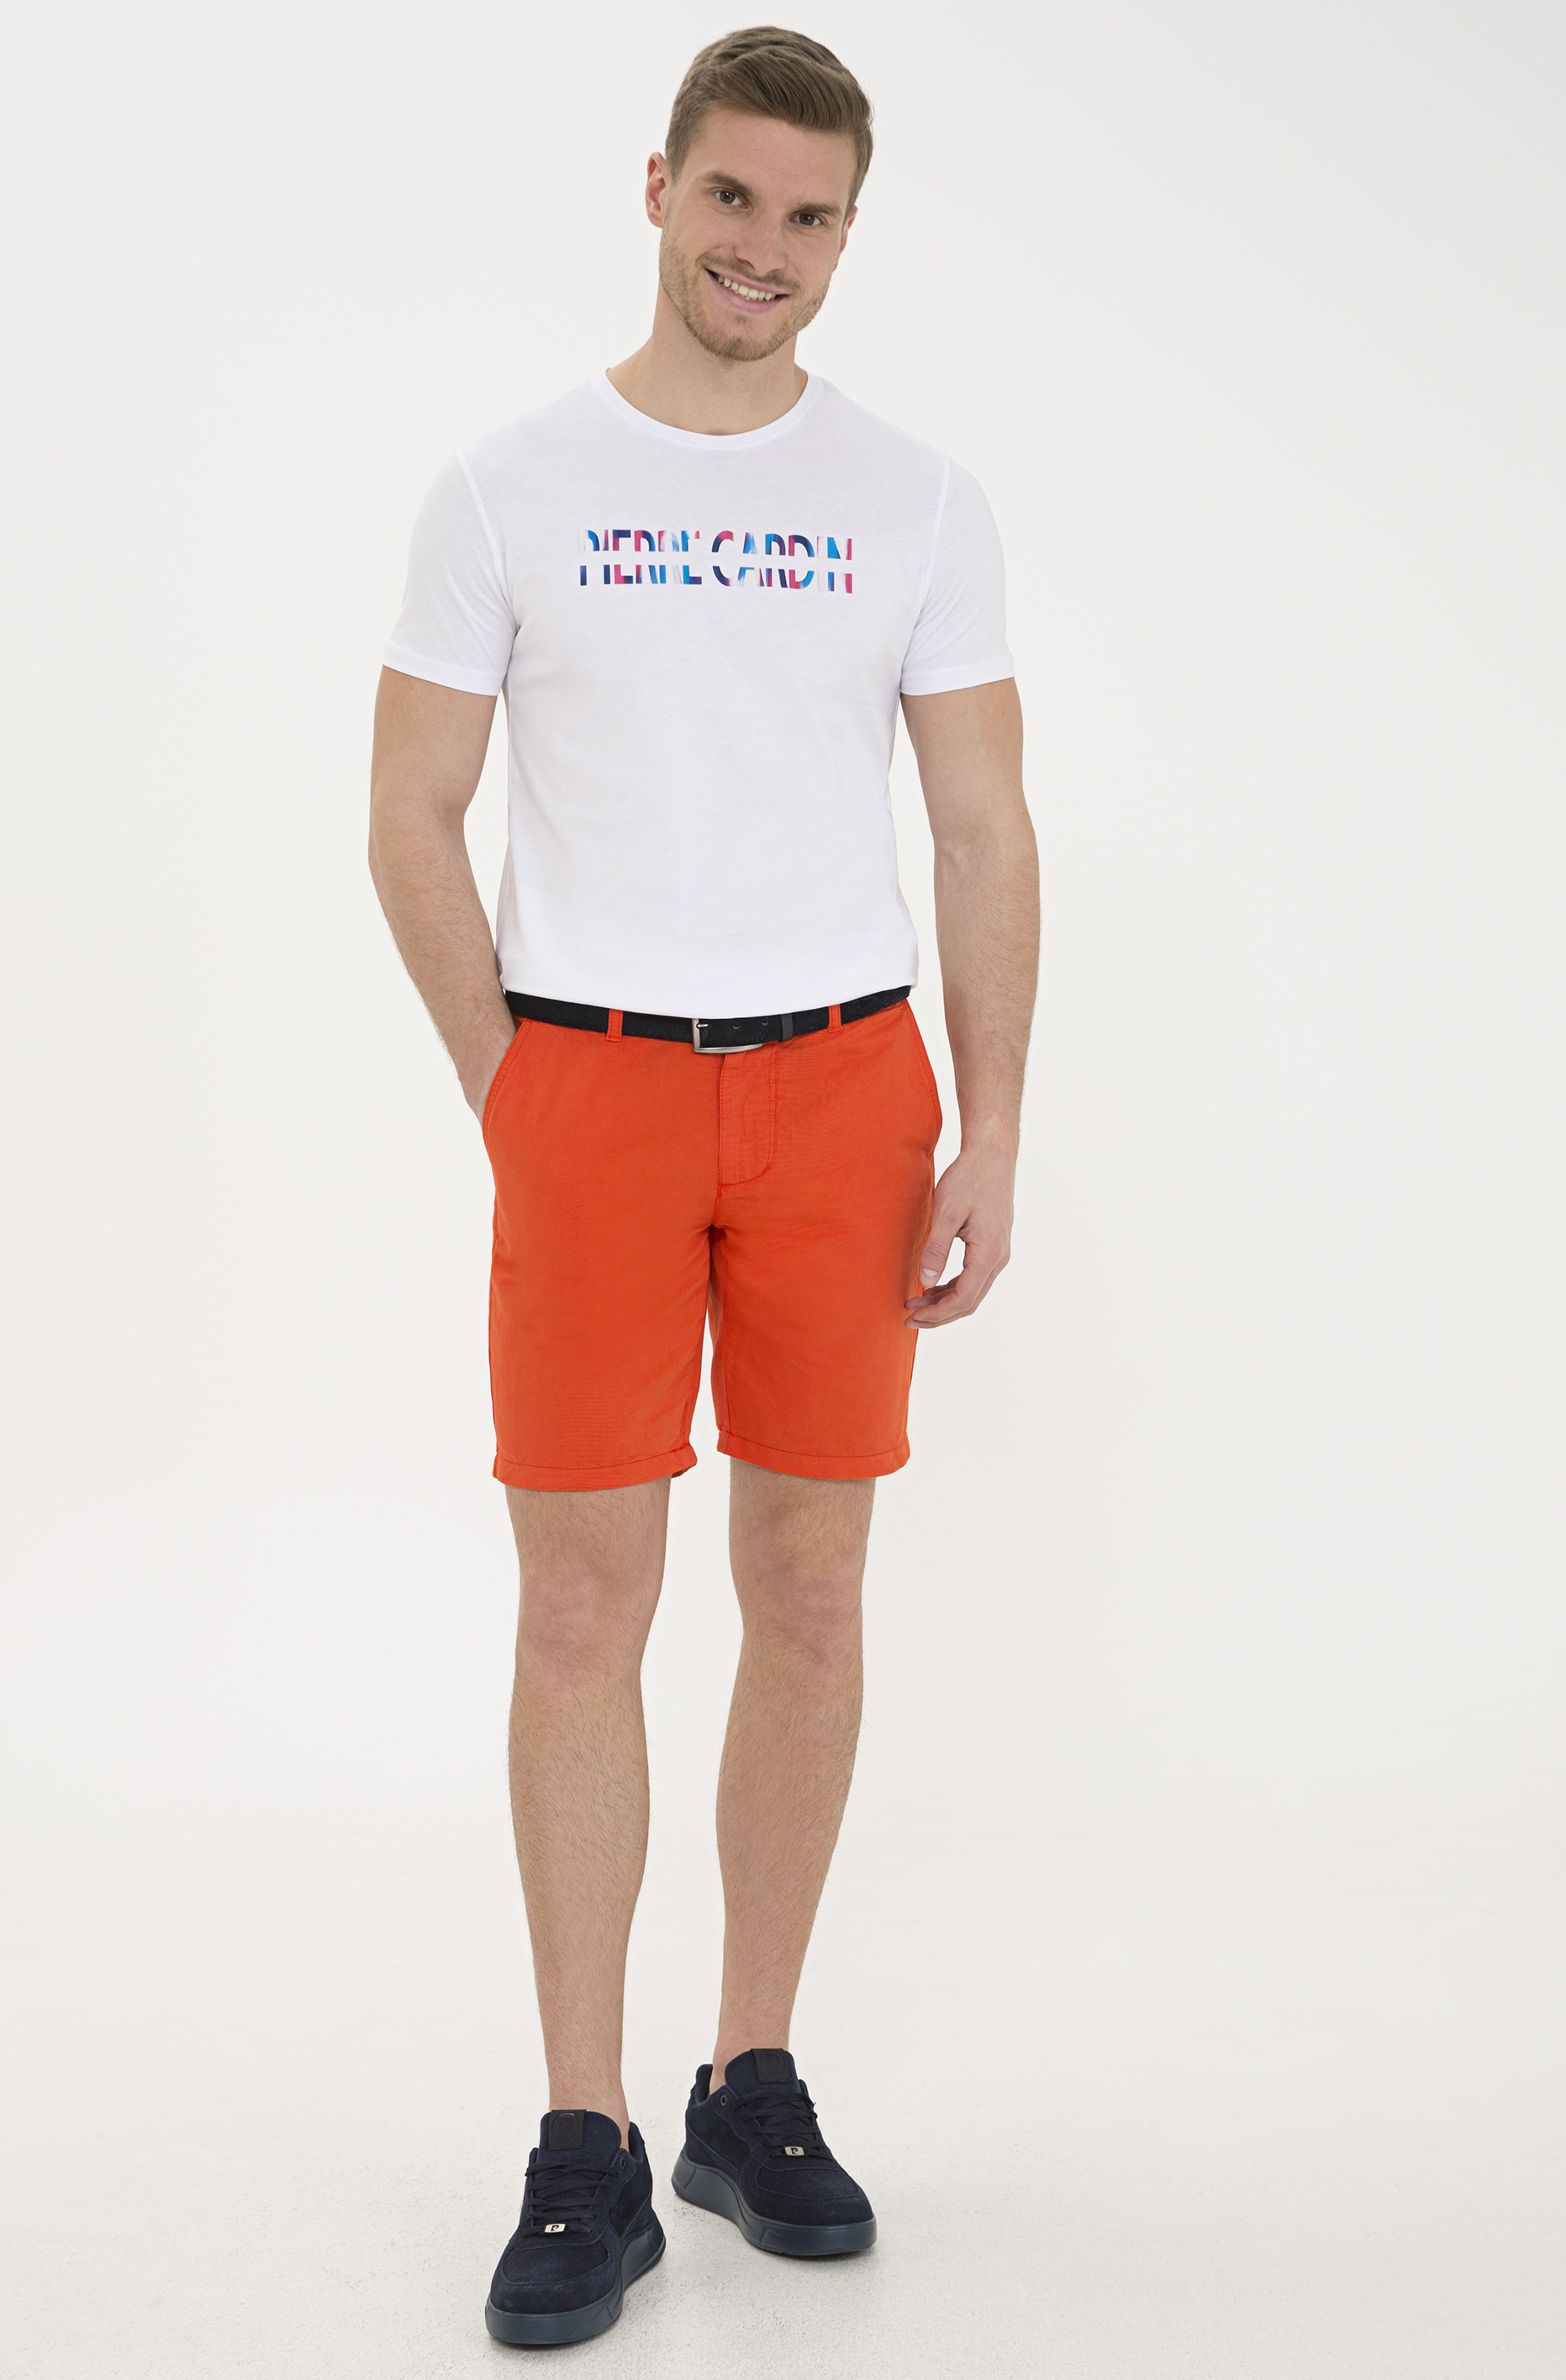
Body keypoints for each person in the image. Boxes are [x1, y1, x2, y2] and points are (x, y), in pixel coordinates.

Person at [368, 24, 1038, 2347]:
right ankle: (585, 2133)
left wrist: (990, 1124)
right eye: (732, 198)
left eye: (810, 216)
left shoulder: (916, 499)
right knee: (580, 1605)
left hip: (846, 1090)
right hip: (595, 1082)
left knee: (812, 1583)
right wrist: (518, 1092)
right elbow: (408, 811)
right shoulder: (507, 485)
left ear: (849, 235)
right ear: (656, 188)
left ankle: (750, 2080)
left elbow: (981, 829)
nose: (764, 249)